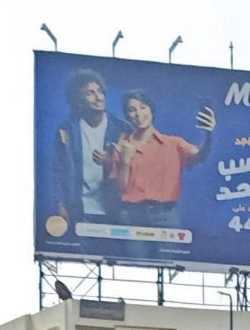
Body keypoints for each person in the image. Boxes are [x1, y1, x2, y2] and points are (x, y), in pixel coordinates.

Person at [105, 91, 216, 229]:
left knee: (171, 251)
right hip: (132, 216)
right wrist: (125, 162)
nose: (138, 114)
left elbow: (200, 155)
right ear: (127, 116)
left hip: (166, 216)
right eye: (132, 110)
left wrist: (208, 134)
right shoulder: (122, 147)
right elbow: (118, 190)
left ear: (151, 110)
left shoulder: (174, 144)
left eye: (143, 107)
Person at [49, 67, 118, 232]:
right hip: (79, 211)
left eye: (100, 91)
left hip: (116, 213)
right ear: (78, 101)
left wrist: (113, 162)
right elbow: (58, 172)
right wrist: (60, 205)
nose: (98, 97)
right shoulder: (66, 130)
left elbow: (138, 172)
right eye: (90, 93)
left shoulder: (122, 129)